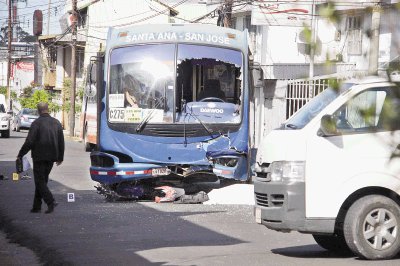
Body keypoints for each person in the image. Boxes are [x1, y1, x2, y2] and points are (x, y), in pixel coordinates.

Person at [17, 102, 64, 214]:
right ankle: (36, 206)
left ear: (38, 111)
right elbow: (61, 141)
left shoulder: (36, 123)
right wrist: (60, 157)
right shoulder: (56, 123)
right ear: (48, 109)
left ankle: (50, 201)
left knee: (40, 182)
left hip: (39, 157)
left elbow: (30, 141)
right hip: (52, 157)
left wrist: (21, 153)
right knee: (42, 181)